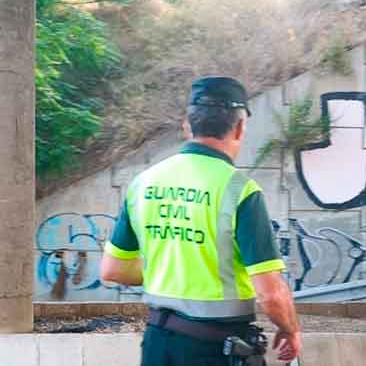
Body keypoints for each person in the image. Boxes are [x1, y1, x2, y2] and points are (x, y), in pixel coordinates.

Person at [100, 76, 301, 365]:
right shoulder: (239, 190)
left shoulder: (143, 183)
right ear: (240, 127)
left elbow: (113, 270)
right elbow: (270, 294)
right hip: (215, 349)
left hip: (157, 345)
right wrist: (290, 329)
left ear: (187, 125)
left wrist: (173, 265)